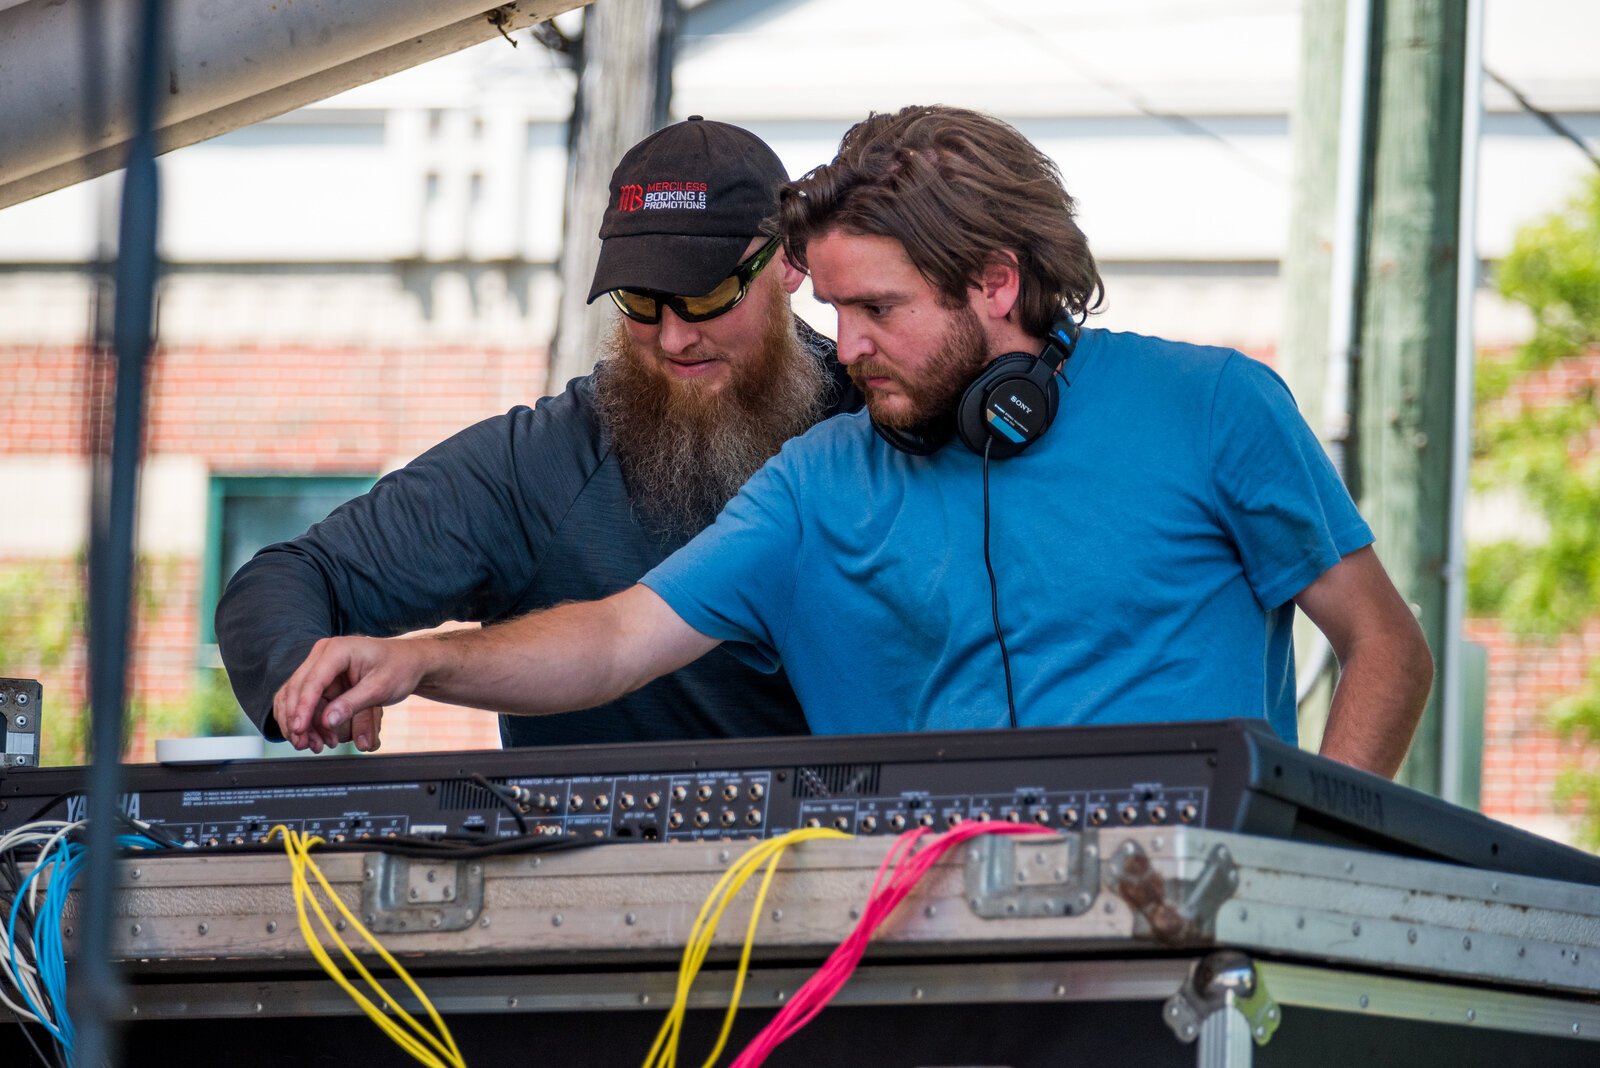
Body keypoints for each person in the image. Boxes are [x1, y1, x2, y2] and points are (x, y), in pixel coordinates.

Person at [273, 105, 1433, 779]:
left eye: (879, 310)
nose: (850, 346)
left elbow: (1386, 648)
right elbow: (615, 641)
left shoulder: (1216, 407)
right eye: (831, 312)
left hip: (1193, 945)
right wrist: (424, 660)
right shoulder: (820, 477)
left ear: (994, 282)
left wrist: (1299, 866)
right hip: (928, 971)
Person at [217, 116, 861, 754]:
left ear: (790, 262)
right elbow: (291, 575)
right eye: (640, 299)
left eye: (709, 292)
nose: (672, 336)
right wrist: (307, 678)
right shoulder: (552, 459)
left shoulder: (879, 421)